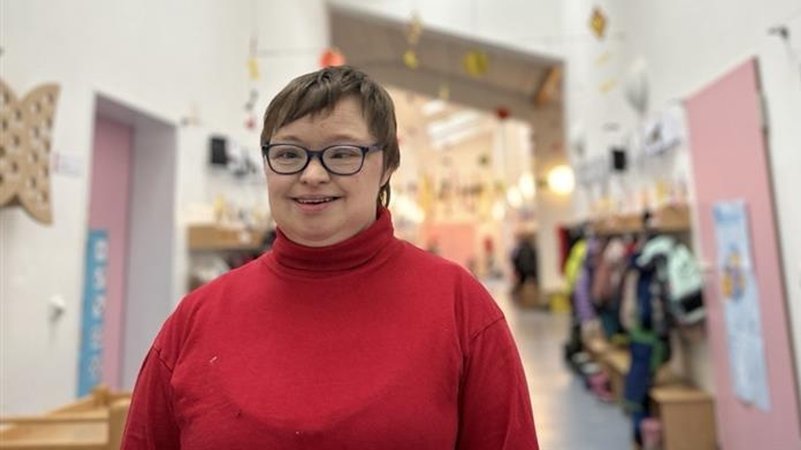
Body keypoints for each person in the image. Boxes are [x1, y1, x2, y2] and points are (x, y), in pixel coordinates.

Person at [122, 66, 539, 449]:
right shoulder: (197, 317)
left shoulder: (458, 306)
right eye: (288, 154)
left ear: (388, 164)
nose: (312, 174)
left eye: (341, 153)